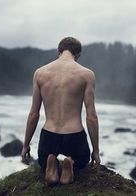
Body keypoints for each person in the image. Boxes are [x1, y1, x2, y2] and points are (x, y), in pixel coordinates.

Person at [21, 37, 100, 185]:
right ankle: (71, 164)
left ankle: (49, 166)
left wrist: (26, 144)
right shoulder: (86, 74)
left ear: (59, 51)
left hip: (49, 136)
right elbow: (91, 116)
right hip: (74, 136)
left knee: (43, 159)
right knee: (83, 160)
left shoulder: (40, 73)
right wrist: (95, 151)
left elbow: (34, 114)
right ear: (78, 55)